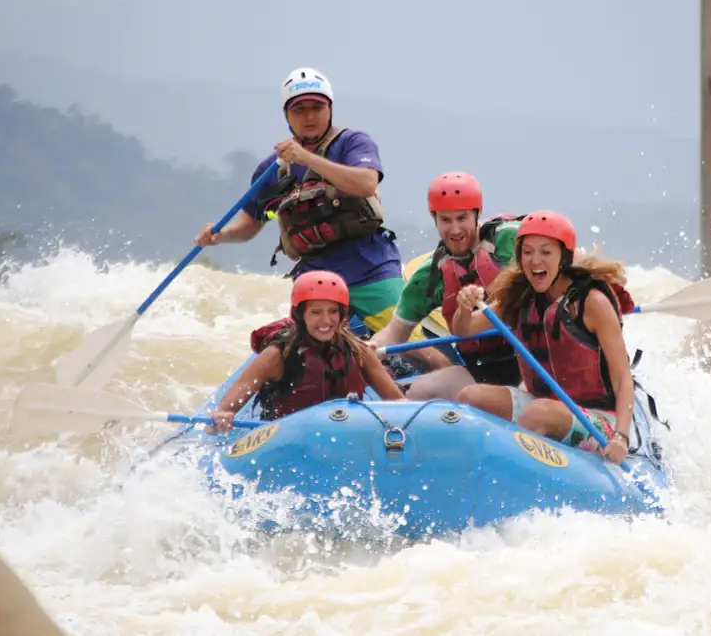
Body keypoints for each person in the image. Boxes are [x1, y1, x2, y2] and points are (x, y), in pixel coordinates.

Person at [193, 66, 449, 371]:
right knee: (299, 360)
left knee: (418, 350)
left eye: (317, 107)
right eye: (299, 109)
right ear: (287, 116)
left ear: (329, 109)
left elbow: (367, 183)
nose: (309, 116)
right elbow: (251, 225)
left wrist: (306, 158)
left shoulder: (352, 143)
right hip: (314, 278)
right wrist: (220, 236)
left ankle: (450, 389)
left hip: (371, 268)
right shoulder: (270, 170)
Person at [452, 210, 638, 465]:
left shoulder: (592, 302)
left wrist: (621, 437)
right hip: (541, 403)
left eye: (546, 252)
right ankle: (475, 466)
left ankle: (510, 471)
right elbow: (464, 330)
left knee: (538, 415)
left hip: (599, 417)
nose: (535, 261)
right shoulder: (520, 295)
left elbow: (622, 378)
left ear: (564, 257)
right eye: (527, 252)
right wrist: (464, 307)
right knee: (470, 397)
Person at [368, 172, 523, 401]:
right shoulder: (430, 274)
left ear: (477, 214)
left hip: (528, 360)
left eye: (462, 218)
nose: (455, 230)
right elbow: (394, 333)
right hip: (478, 371)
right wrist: (368, 349)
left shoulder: (511, 239)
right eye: (446, 220)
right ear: (435, 219)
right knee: (422, 391)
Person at [208, 271, 406, 433]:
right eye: (316, 312)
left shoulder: (359, 351)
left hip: (344, 437)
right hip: (286, 441)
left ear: (342, 314)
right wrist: (220, 419)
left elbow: (399, 404)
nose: (326, 321)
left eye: (333, 311)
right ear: (300, 315)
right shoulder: (276, 356)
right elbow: (224, 411)